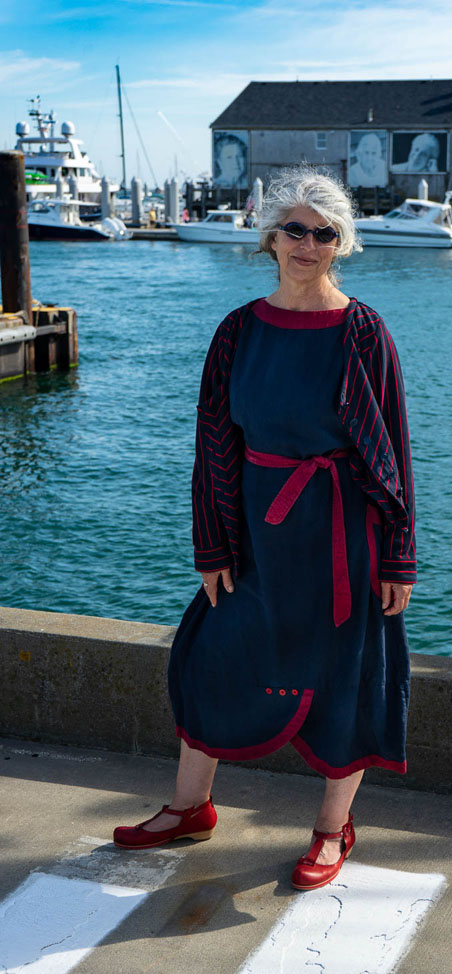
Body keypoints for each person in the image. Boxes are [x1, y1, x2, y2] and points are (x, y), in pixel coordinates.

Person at [113, 166, 416, 892]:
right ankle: (190, 806)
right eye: (294, 229)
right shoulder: (239, 329)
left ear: (340, 243)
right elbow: (213, 441)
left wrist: (398, 557)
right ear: (269, 237)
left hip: (342, 533)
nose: (306, 243)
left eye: (322, 232)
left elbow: (393, 449)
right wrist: (211, 542)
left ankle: (331, 827)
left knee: (345, 675)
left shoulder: (362, 330)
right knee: (210, 655)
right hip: (254, 529)